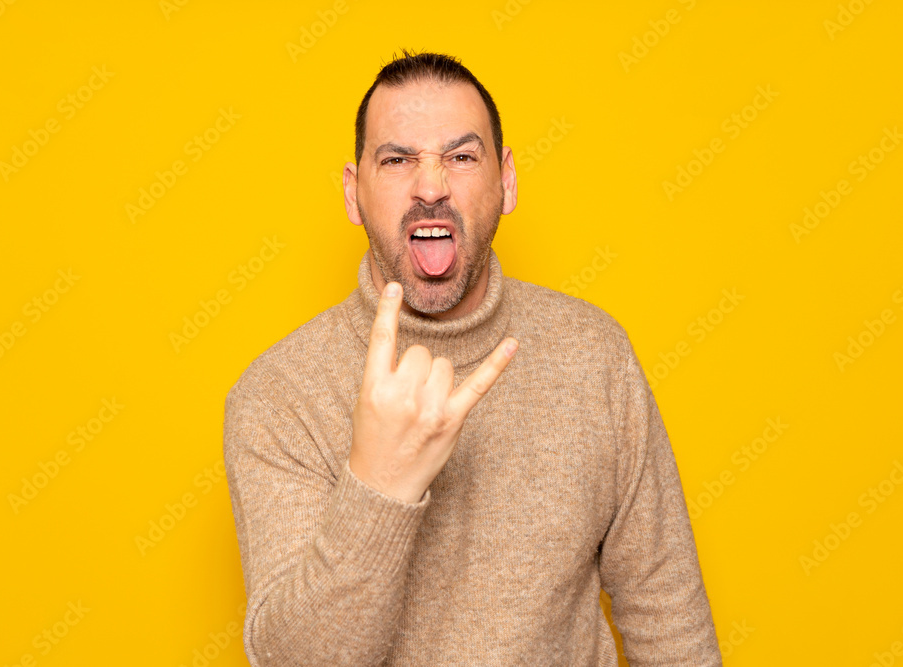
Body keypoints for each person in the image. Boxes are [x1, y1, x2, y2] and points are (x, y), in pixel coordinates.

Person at [223, 49, 722, 666]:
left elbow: (667, 614)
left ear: (506, 181)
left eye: (461, 157)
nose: (431, 187)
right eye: (397, 159)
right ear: (354, 194)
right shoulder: (278, 396)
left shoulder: (595, 355)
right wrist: (379, 485)